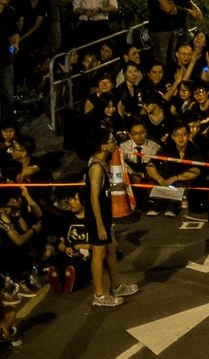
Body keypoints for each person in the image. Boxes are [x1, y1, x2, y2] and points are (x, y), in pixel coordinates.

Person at [83, 128, 135, 308]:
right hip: (97, 218)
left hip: (104, 217)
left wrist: (114, 188)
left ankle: (116, 287)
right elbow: (93, 198)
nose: (115, 143)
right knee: (99, 254)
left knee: (112, 248)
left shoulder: (100, 163)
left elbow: (100, 192)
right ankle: (99, 295)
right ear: (103, 146)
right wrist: (99, 225)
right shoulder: (96, 168)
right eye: (112, 140)